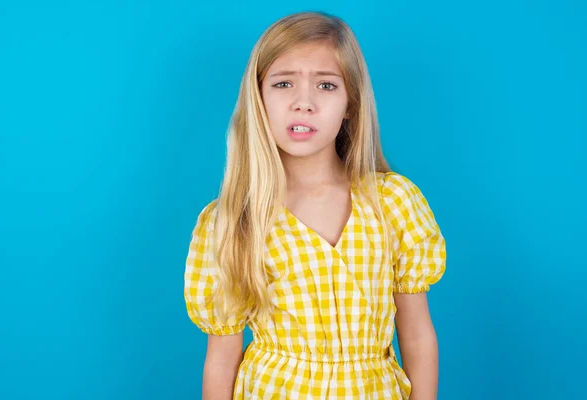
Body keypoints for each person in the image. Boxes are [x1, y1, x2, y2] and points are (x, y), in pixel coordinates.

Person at [184, 11, 446, 400]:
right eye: (283, 83)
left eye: (325, 85)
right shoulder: (235, 220)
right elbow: (222, 359)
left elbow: (417, 333)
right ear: (258, 99)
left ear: (350, 104)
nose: (303, 103)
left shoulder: (393, 203)